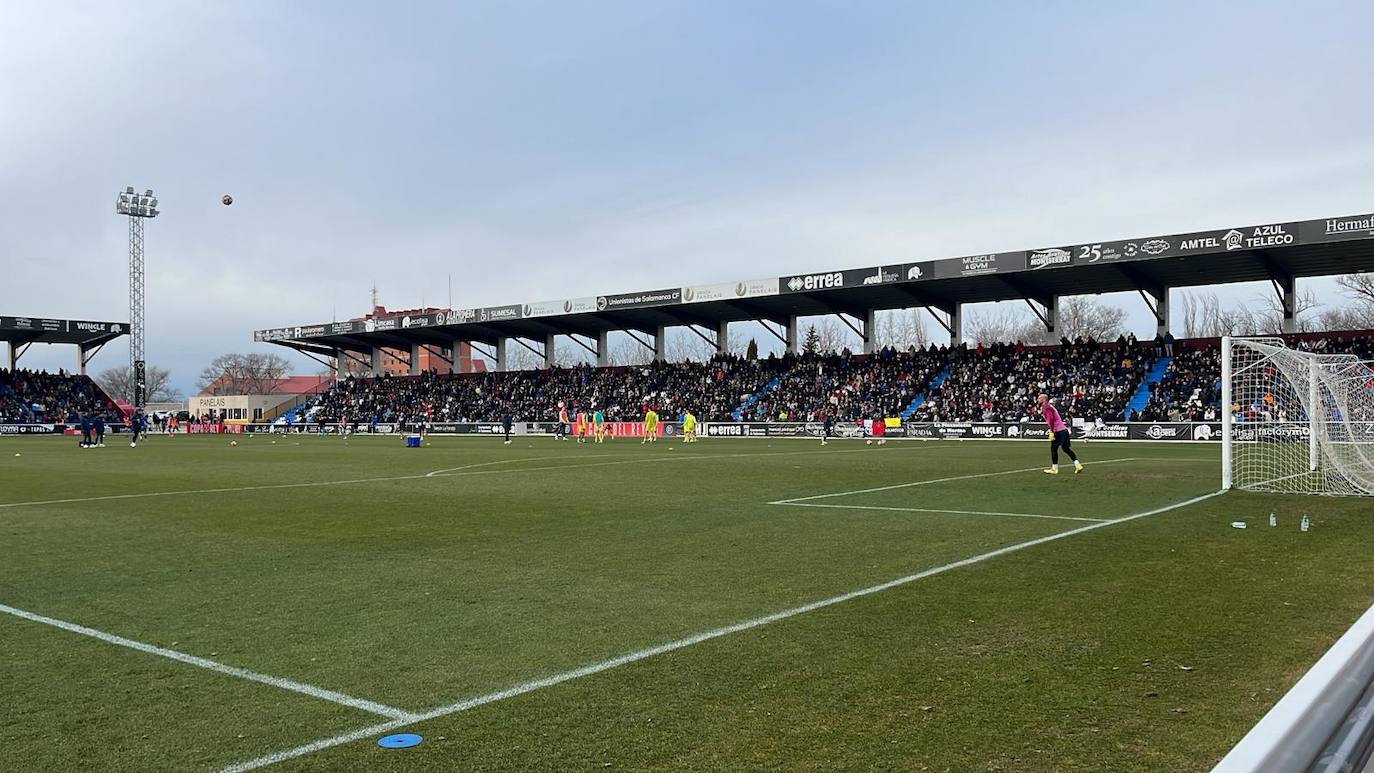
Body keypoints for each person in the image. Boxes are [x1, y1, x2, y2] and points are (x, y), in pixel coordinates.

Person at [1038, 393, 1083, 475]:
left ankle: (1054, 469)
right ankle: (1078, 465)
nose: (1038, 400)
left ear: (1044, 399)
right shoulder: (1050, 407)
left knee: (1054, 449)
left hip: (1057, 431)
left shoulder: (1046, 407)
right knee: (1066, 449)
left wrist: (1051, 431)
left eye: (1039, 398)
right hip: (1063, 430)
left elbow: (1051, 419)